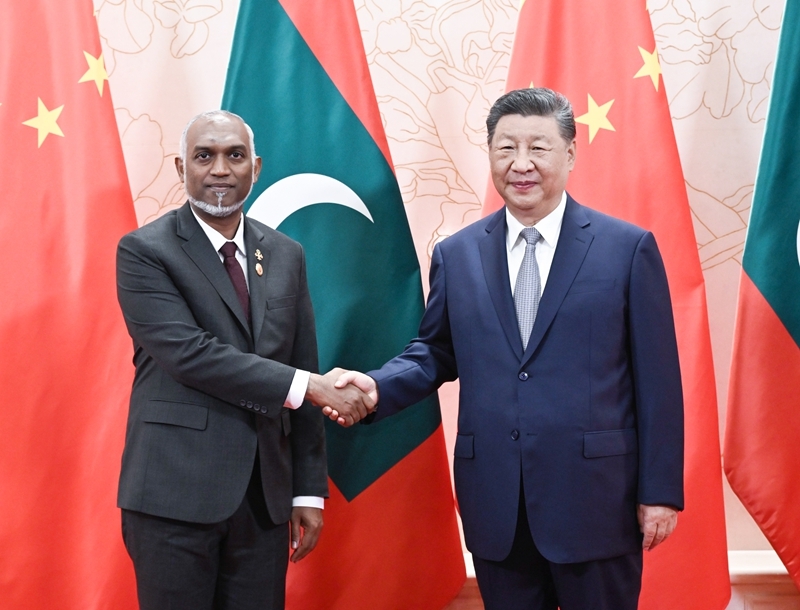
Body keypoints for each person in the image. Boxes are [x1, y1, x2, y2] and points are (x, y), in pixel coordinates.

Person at [328, 88, 684, 610]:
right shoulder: (457, 254)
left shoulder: (626, 249)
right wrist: (377, 386)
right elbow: (435, 351)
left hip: (597, 500)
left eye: (538, 148)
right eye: (506, 148)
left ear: (570, 153)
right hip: (498, 503)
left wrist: (660, 492)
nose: (521, 164)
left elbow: (659, 383)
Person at [116, 110, 372, 610]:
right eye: (204, 156)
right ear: (181, 167)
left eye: (234, 155)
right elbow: (191, 355)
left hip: (263, 501)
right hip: (173, 498)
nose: (220, 169)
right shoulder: (145, 251)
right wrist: (311, 385)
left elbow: (302, 358)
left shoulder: (286, 254)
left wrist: (306, 491)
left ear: (255, 168)